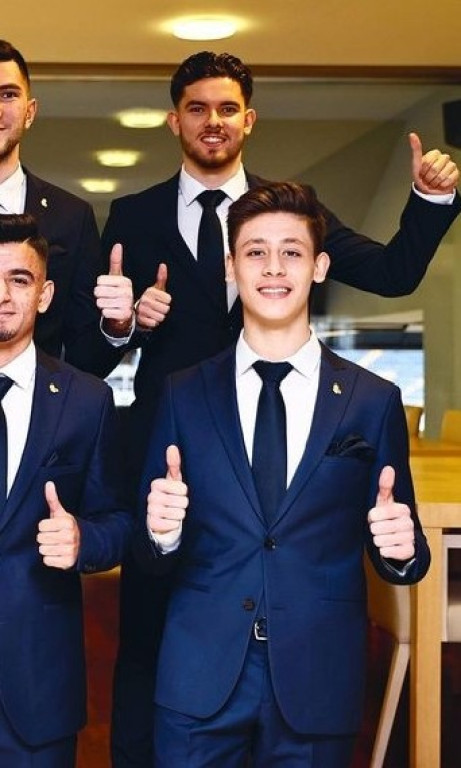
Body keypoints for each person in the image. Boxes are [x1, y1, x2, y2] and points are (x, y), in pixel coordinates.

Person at [95, 50, 458, 767]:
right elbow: (90, 342)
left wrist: (428, 200)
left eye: (228, 107)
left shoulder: (293, 214)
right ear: (174, 120)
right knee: (147, 651)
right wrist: (124, 323)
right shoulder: (131, 214)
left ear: (250, 119)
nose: (213, 121)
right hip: (175, 455)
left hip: (295, 444)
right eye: (197, 107)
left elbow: (390, 271)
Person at [136, 181, 430, 768]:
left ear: (319, 266)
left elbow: (407, 550)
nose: (273, 268)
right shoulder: (183, 394)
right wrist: (160, 534)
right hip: (199, 676)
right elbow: (147, 554)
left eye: (291, 252)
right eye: (255, 252)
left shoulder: (373, 401)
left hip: (318, 677)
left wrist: (402, 550)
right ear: (230, 267)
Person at [0, 213, 132, 767]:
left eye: (19, 279)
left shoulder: (86, 400)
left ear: (46, 294)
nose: (2, 296)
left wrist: (82, 540)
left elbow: (118, 522)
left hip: (37, 690)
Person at [0, 39, 118, 376]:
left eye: (8, 95)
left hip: (39, 404)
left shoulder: (71, 217)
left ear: (30, 111)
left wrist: (118, 324)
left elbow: (86, 356)